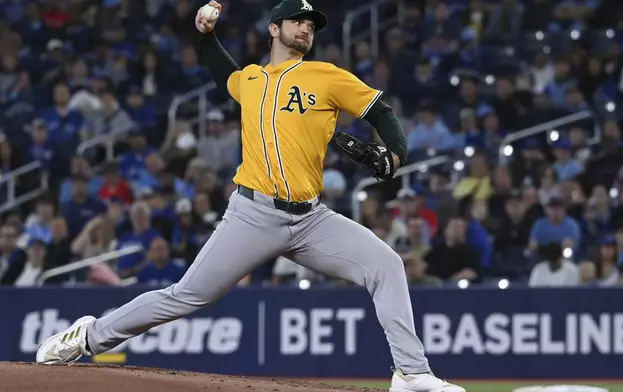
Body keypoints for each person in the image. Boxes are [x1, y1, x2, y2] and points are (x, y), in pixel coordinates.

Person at [34, 2, 464, 392]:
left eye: (311, 23)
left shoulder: (326, 75)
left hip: (312, 219)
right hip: (253, 215)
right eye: (298, 20)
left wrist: (395, 154)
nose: (306, 28)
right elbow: (222, 71)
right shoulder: (252, 81)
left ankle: (411, 373)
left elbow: (380, 112)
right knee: (185, 295)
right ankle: (88, 336)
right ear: (274, 29)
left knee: (386, 264)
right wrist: (205, 36)